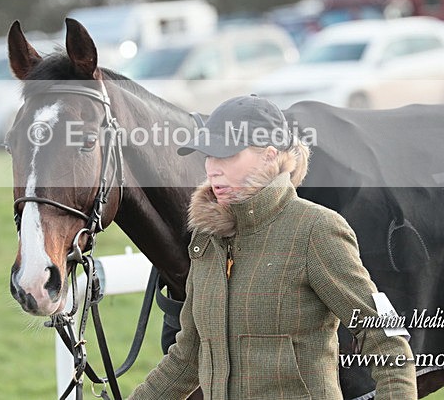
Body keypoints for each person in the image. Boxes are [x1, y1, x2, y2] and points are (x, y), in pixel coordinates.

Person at [129, 95, 417, 400]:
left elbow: (385, 336)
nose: (212, 169)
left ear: (268, 156)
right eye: (208, 155)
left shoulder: (315, 229)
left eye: (225, 155)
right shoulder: (206, 240)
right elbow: (187, 358)